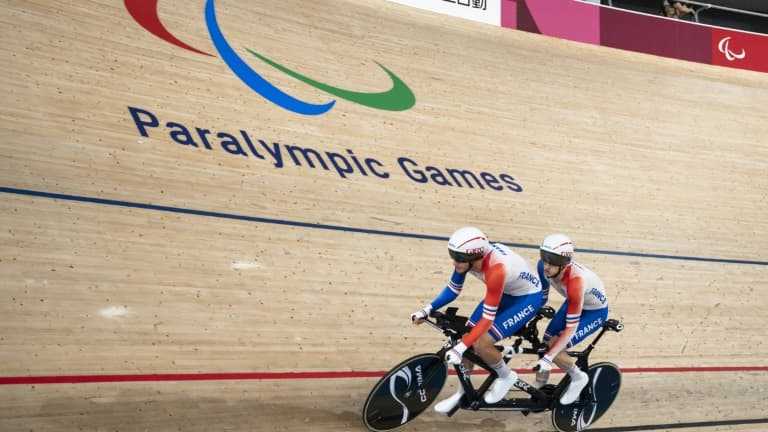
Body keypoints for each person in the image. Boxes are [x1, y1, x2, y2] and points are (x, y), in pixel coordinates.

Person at [411, 227, 543, 413]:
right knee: (466, 336)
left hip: (527, 298)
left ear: (475, 257)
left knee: (481, 344)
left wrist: (461, 347)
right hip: (506, 292)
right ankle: (461, 394)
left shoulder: (496, 269)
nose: (454, 262)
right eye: (453, 255)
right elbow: (453, 289)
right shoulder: (466, 259)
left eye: (459, 258)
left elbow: (488, 318)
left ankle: (506, 376)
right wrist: (427, 309)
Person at [533, 234, 609, 405]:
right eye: (544, 259)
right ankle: (538, 388)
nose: (546, 266)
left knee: (554, 347)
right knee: (543, 344)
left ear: (564, 263)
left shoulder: (576, 282)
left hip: (594, 312)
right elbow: (542, 297)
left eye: (551, 263)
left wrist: (550, 357)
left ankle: (578, 377)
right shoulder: (542, 267)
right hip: (574, 302)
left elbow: (571, 328)